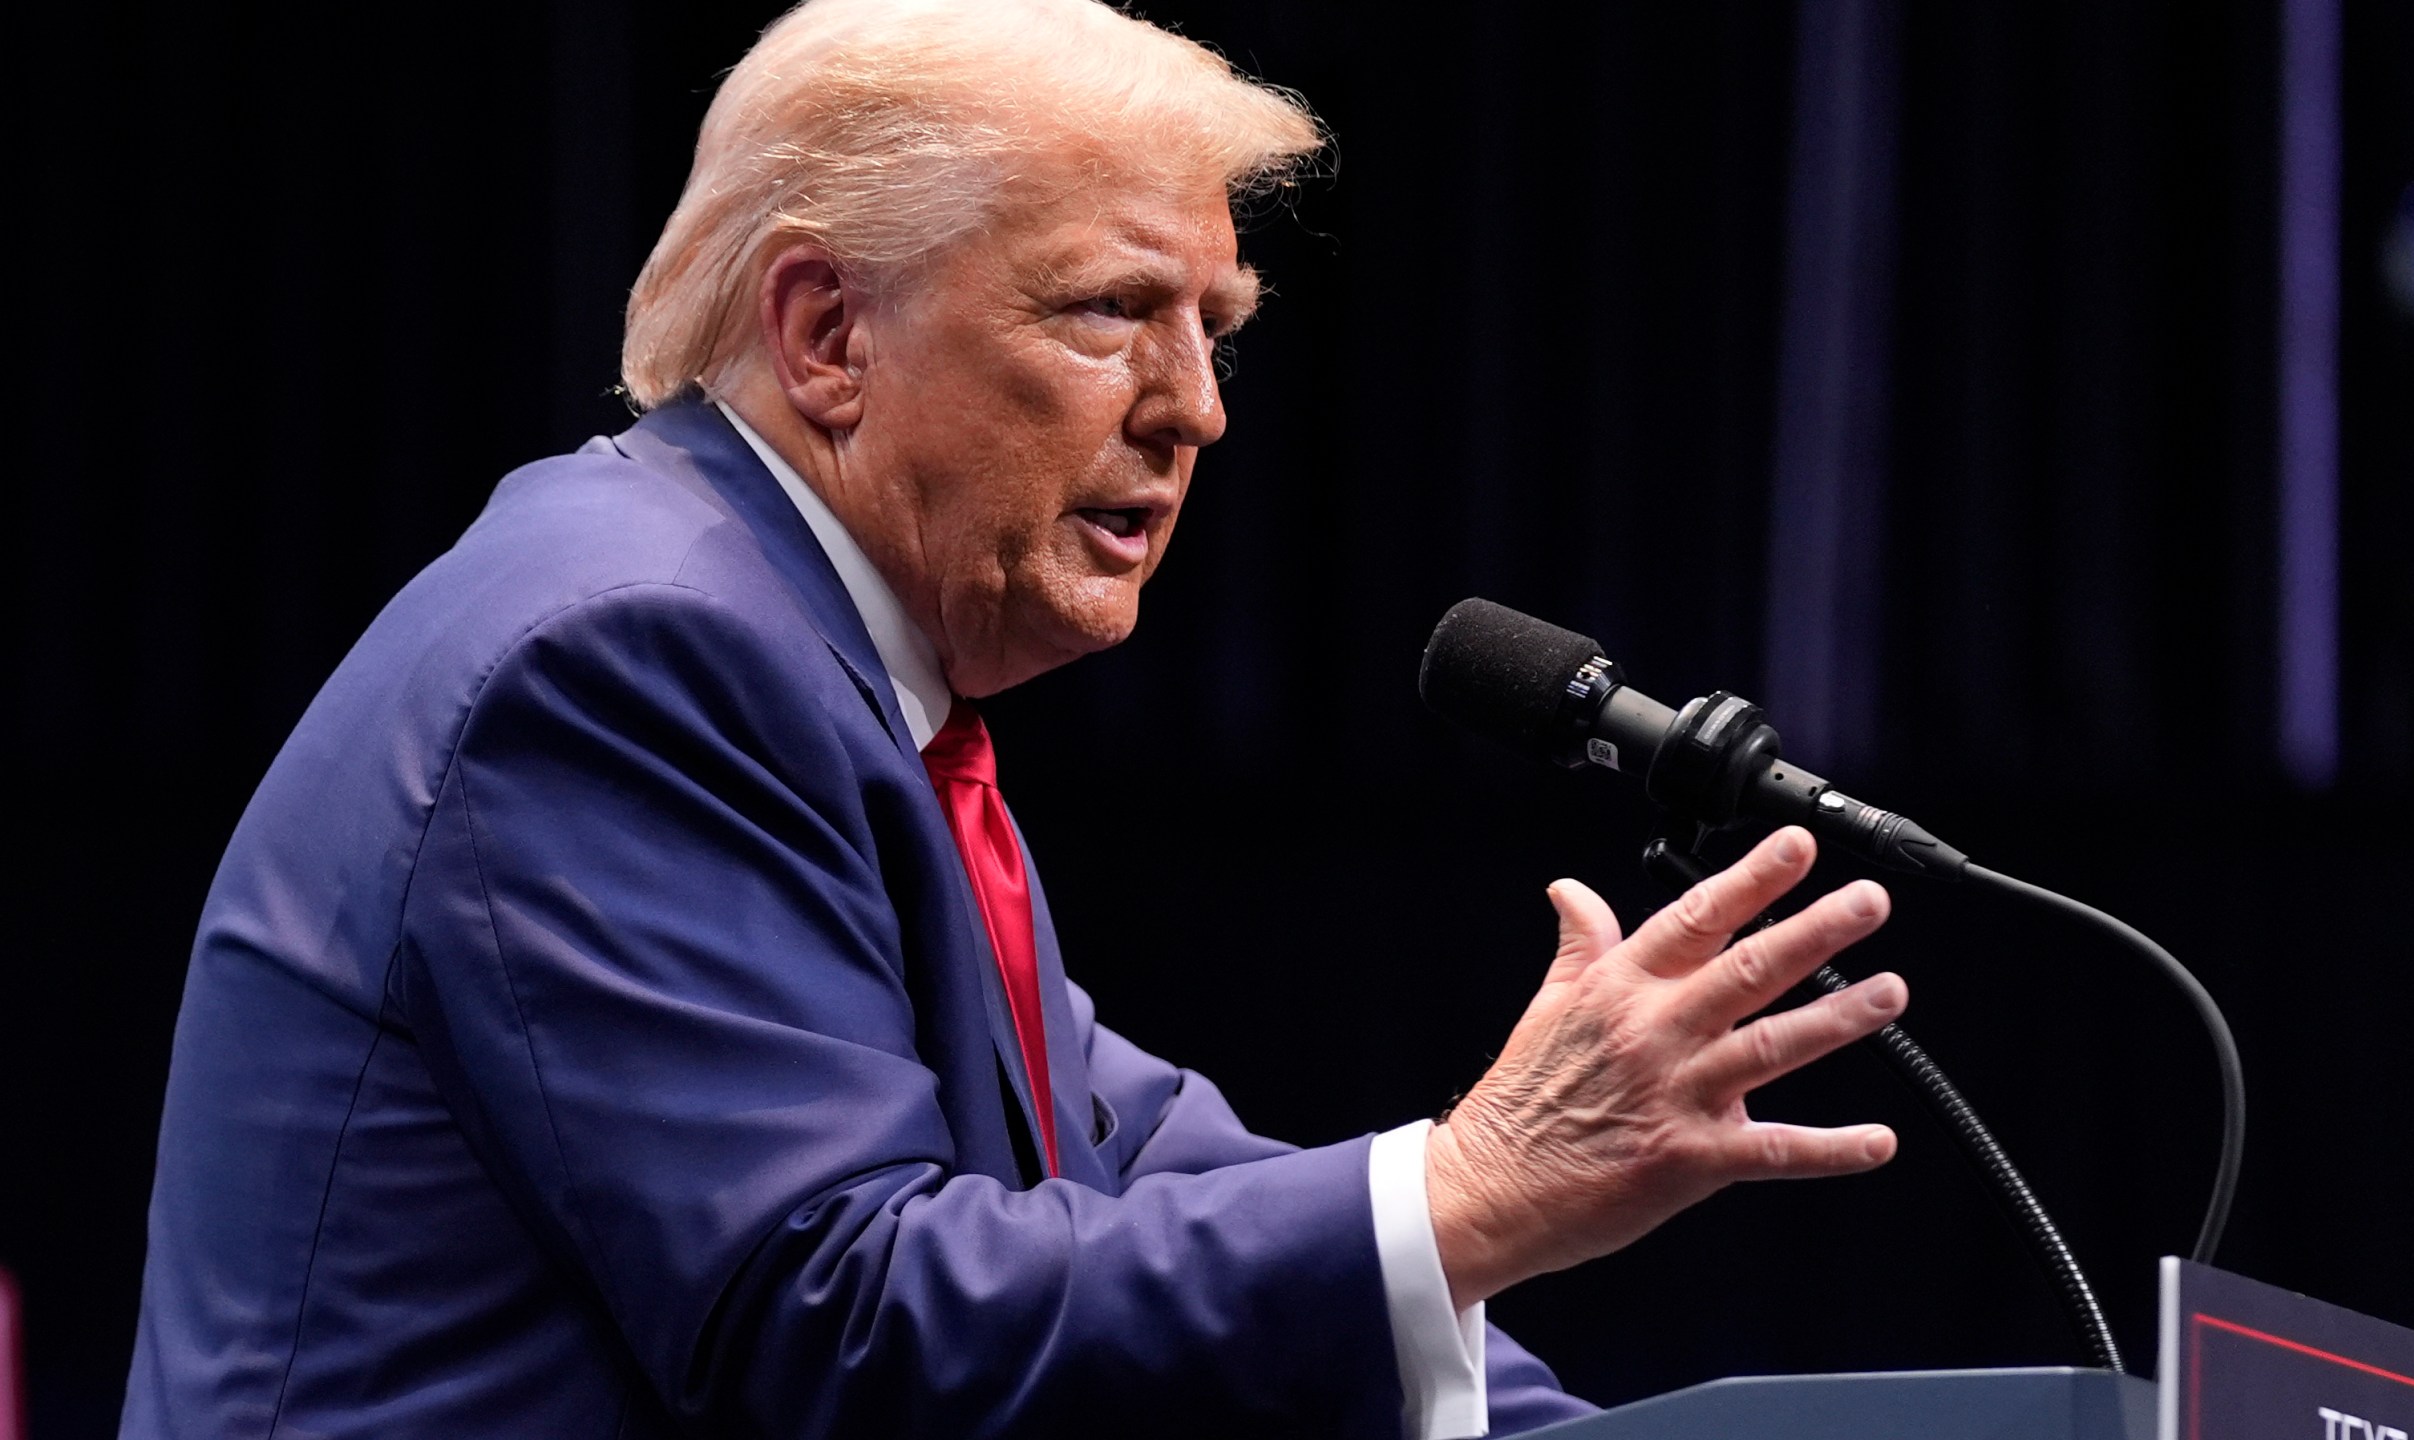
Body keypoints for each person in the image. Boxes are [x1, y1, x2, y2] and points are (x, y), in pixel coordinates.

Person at [121, 1, 1912, 1435]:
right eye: (1115, 312)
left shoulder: (828, 674)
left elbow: (1129, 1175)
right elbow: (838, 1317)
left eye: (1215, 328)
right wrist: (1469, 1188)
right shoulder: (635, 659)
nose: (1195, 409)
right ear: (826, 333)